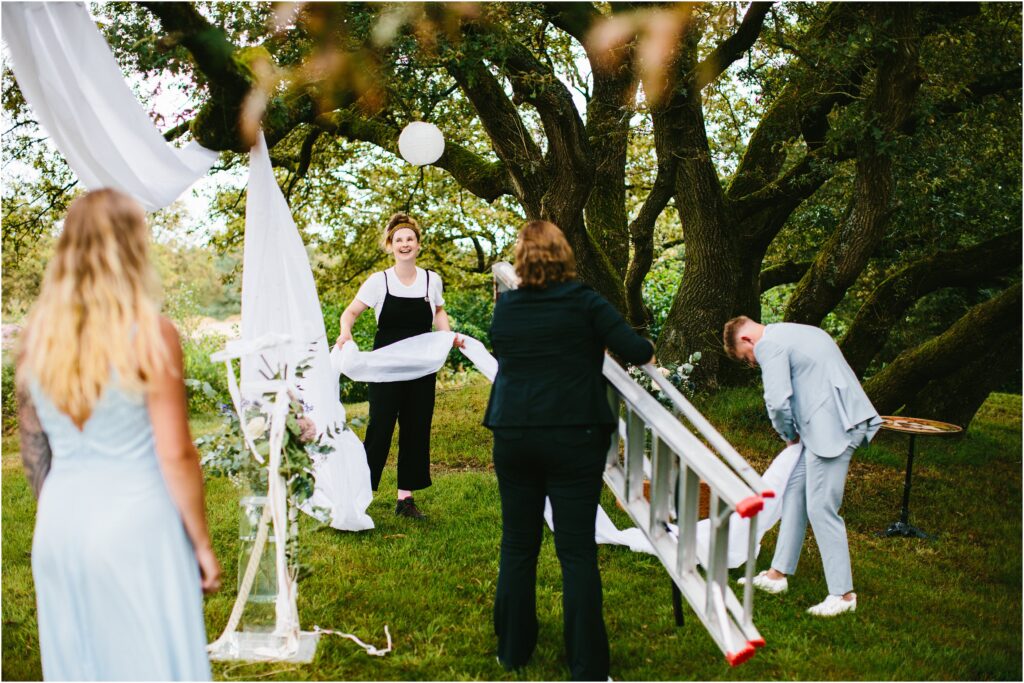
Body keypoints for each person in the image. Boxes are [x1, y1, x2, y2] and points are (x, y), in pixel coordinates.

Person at [15, 189, 219, 680]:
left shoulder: (37, 336)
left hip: (60, 525)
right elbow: (175, 453)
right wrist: (202, 544)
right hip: (137, 523)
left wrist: (62, 516)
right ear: (133, 246)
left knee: (81, 664)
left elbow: (33, 448)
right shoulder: (151, 331)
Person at [484, 220, 655, 681]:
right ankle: (587, 665)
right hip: (574, 435)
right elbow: (635, 350)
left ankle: (513, 650)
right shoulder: (586, 301)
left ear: (521, 259)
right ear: (564, 255)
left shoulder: (508, 308)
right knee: (576, 551)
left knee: (518, 544)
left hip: (515, 433)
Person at [722, 316, 882, 617]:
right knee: (794, 494)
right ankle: (777, 575)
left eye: (748, 359)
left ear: (746, 341)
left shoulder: (768, 345)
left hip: (832, 429)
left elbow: (778, 401)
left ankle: (843, 594)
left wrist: (789, 435)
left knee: (822, 508)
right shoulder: (796, 331)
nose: (754, 364)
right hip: (834, 421)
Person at [335, 212, 461, 519]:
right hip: (386, 368)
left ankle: (405, 499)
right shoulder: (379, 281)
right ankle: (358, 494)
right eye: (398, 240)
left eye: (410, 239)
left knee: (416, 428)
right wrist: (345, 333)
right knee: (380, 427)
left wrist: (446, 337)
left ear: (418, 245)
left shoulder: (432, 280)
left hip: (421, 368)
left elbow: (439, 311)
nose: (404, 244)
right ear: (390, 245)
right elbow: (350, 313)